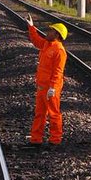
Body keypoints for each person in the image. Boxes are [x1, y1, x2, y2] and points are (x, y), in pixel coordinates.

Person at [25, 14, 67, 148]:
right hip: (42, 86)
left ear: (57, 34)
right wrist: (31, 27)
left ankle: (55, 139)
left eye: (51, 31)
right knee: (40, 114)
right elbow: (36, 40)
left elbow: (58, 71)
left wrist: (53, 87)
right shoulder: (47, 44)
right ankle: (36, 139)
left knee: (54, 114)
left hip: (50, 88)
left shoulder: (59, 51)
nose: (47, 32)